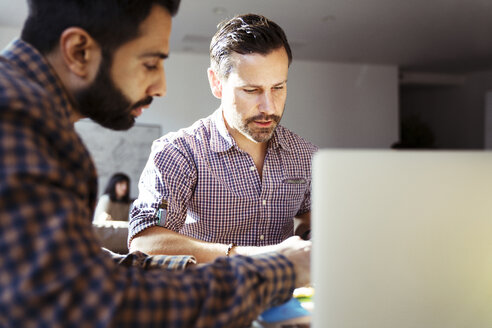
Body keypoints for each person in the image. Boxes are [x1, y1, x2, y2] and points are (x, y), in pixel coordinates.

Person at [0, 1, 312, 327]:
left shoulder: (28, 114)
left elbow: (94, 274)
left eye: (278, 87)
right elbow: (93, 306)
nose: (160, 87)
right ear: (79, 52)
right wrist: (271, 268)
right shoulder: (18, 121)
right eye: (150, 64)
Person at [129, 14, 318, 263]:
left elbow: (309, 219)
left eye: (278, 87)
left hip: (283, 296)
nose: (269, 107)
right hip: (204, 296)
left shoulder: (305, 154)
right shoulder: (179, 152)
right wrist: (252, 255)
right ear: (217, 83)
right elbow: (145, 243)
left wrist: (311, 237)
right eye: (251, 90)